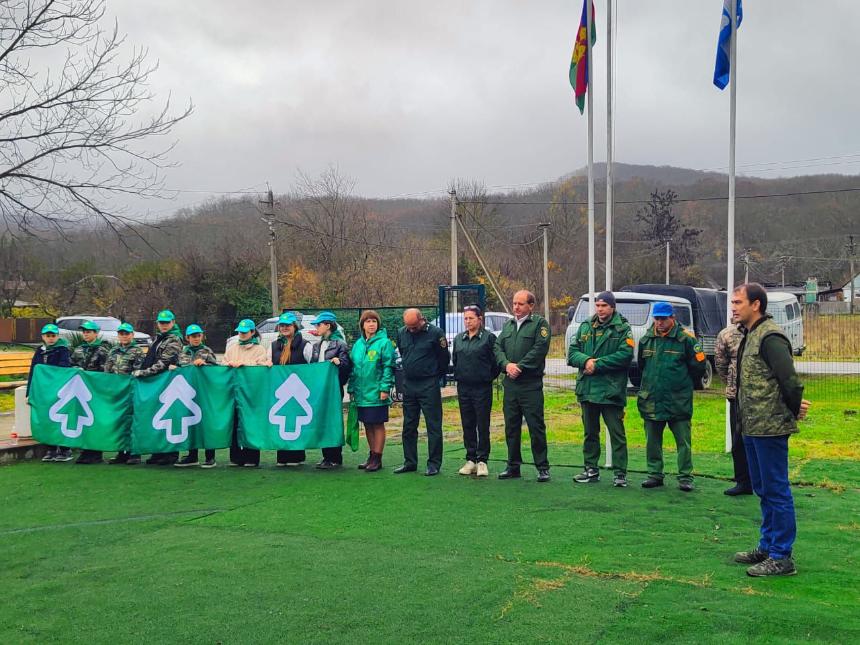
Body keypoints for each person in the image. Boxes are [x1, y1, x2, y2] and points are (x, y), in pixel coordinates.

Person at [731, 283, 810, 577]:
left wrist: (792, 409)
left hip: (769, 427)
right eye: (732, 302)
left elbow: (790, 381)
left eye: (738, 302)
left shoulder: (770, 337)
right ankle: (766, 546)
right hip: (751, 425)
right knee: (763, 488)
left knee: (776, 490)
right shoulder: (749, 335)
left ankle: (781, 556)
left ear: (756, 305)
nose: (734, 307)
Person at [637, 301, 707, 492]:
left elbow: (698, 367)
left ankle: (685, 477)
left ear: (673, 318)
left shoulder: (686, 341)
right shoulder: (646, 340)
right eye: (657, 319)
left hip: (678, 401)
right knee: (652, 441)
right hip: (652, 400)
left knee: (683, 442)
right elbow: (641, 368)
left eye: (663, 319)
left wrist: (681, 386)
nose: (659, 322)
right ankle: (654, 474)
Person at [567, 291, 634, 487]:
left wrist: (598, 364)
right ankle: (591, 469)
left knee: (617, 433)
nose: (600, 309)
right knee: (590, 432)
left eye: (604, 306)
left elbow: (625, 355)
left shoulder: (622, 328)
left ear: (612, 307)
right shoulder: (586, 326)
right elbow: (572, 353)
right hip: (587, 389)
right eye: (598, 305)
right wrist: (586, 360)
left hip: (611, 390)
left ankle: (620, 473)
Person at [493, 290, 551, 482]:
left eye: (520, 304)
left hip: (530, 385)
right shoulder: (508, 325)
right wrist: (506, 365)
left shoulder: (539, 324)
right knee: (511, 427)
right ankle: (513, 466)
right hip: (510, 385)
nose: (516, 307)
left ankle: (542, 467)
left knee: (536, 427)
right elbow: (497, 347)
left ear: (530, 306)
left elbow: (540, 349)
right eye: (514, 303)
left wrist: (520, 366)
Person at [394, 308, 450, 476]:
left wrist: (434, 376)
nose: (411, 330)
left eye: (413, 326)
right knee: (408, 425)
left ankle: (434, 464)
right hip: (409, 384)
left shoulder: (436, 333)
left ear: (421, 320)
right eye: (408, 326)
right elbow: (403, 353)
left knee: (433, 425)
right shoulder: (401, 333)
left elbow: (444, 359)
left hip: (428, 384)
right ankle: (410, 461)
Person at [452, 305, 498, 478]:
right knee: (467, 423)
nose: (468, 321)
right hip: (464, 387)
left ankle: (482, 460)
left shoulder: (488, 338)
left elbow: (495, 363)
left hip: (482, 387)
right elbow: (455, 360)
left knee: (482, 424)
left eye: (471, 318)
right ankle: (470, 458)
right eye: (465, 318)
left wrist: (486, 377)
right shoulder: (459, 339)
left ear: (480, 319)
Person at [133, 309, 184, 465]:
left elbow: (164, 363)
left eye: (166, 322)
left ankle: (170, 454)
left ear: (173, 323)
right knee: (156, 418)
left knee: (168, 418)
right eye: (161, 323)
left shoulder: (174, 339)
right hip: (155, 384)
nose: (163, 325)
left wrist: (144, 373)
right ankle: (158, 452)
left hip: (166, 384)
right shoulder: (160, 338)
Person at [347, 310, 395, 473]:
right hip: (361, 393)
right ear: (362, 325)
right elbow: (354, 368)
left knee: (377, 423)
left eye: (374, 321)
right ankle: (371, 455)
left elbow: (388, 367)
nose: (371, 324)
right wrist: (352, 388)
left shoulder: (384, 343)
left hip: (376, 391)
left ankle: (378, 457)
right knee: (367, 424)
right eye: (368, 321)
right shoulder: (358, 345)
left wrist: (385, 388)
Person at [302, 311, 352, 469]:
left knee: (333, 422)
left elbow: (347, 366)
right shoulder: (317, 346)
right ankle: (327, 456)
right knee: (322, 421)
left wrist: (339, 363)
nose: (316, 327)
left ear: (328, 325)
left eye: (318, 324)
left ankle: (335, 457)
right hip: (320, 390)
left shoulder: (340, 344)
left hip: (333, 389)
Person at [225, 318, 270, 467]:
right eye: (240, 332)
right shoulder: (232, 348)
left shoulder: (260, 349)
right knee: (235, 422)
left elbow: (262, 367)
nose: (242, 334)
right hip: (235, 394)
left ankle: (252, 457)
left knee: (251, 425)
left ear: (252, 332)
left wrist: (246, 365)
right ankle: (236, 457)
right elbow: (224, 364)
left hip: (252, 395)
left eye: (245, 332)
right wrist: (228, 365)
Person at [715, 316, 752, 496]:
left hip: (761, 397)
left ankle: (762, 480)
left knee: (760, 440)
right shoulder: (727, 334)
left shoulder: (766, 333)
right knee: (738, 440)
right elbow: (721, 364)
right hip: (736, 396)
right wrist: (731, 383)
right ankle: (743, 481)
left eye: (739, 303)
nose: (735, 308)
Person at [173, 324, 219, 469]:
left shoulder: (207, 351)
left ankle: (210, 457)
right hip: (187, 395)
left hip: (204, 394)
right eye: (193, 336)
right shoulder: (183, 352)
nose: (196, 338)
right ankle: (192, 456)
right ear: (187, 338)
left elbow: (217, 371)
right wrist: (174, 369)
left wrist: (205, 364)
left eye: (198, 335)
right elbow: (180, 368)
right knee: (190, 423)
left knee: (206, 423)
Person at [27, 323, 73, 463]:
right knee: (46, 418)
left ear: (57, 336)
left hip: (59, 391)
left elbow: (63, 369)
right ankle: (51, 448)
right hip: (43, 392)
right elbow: (33, 372)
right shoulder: (39, 351)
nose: (51, 338)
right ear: (43, 337)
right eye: (48, 336)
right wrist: (29, 392)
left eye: (53, 335)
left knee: (61, 417)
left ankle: (65, 449)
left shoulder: (62, 350)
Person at [104, 322, 145, 465]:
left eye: (126, 333)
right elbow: (107, 371)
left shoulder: (137, 351)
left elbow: (137, 372)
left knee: (132, 422)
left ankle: (135, 453)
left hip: (131, 392)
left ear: (132, 335)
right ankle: (121, 452)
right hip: (116, 393)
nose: (124, 336)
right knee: (119, 422)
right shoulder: (113, 351)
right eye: (121, 333)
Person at [270, 312, 308, 466]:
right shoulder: (274, 345)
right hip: (280, 392)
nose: (284, 328)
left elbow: (313, 367)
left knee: (296, 422)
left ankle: (297, 456)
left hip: (298, 392)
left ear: (295, 327)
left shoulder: (305, 345)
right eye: (282, 325)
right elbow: (269, 363)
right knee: (282, 423)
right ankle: (282, 456)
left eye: (288, 325)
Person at [71, 320, 111, 464]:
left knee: (94, 420)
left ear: (96, 333)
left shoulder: (102, 350)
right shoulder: (79, 349)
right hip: (80, 392)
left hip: (95, 391)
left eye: (89, 332)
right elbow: (72, 364)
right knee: (81, 420)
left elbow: (105, 371)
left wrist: (89, 375)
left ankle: (95, 452)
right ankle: (84, 450)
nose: (86, 334)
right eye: (84, 332)